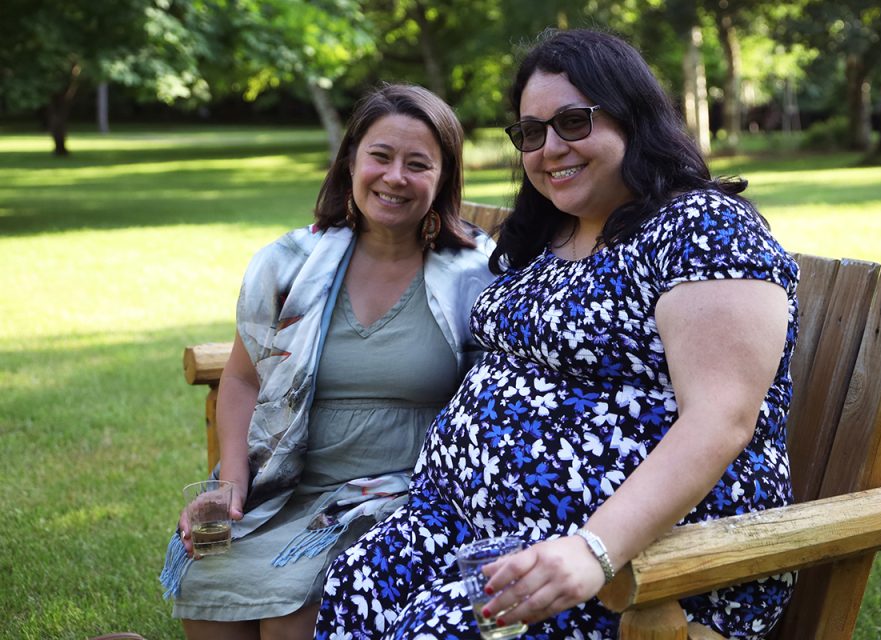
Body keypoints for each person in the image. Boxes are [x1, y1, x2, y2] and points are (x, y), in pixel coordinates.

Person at [315, 28, 800, 640]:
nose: (549, 148)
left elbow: (721, 420)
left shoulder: (700, 228)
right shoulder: (555, 235)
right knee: (356, 584)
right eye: (531, 132)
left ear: (632, 117)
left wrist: (592, 550)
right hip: (467, 527)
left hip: (642, 566)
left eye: (573, 122)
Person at [158, 83, 496, 640]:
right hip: (289, 486)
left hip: (405, 496)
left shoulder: (475, 276)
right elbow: (242, 378)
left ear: (443, 179)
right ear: (352, 161)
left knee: (292, 618)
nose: (394, 177)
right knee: (209, 589)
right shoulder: (290, 264)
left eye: (418, 164)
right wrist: (233, 482)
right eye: (380, 157)